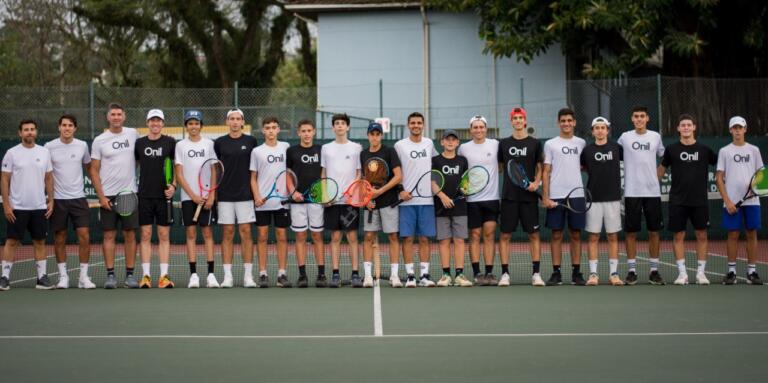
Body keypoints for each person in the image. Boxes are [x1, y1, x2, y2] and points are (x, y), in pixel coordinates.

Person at [658, 114, 717, 285]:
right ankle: (682, 274)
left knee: (702, 235)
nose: (685, 128)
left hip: (699, 201)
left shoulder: (705, 150)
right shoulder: (671, 149)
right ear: (678, 128)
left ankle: (701, 274)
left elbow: (721, 167)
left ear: (694, 127)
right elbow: (661, 170)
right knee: (678, 236)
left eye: (688, 125)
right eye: (682, 125)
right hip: (677, 200)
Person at [89, 103, 139, 289]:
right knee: (109, 235)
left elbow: (139, 158)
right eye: (113, 114)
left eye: (119, 114)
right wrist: (101, 197)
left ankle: (130, 275)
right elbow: (94, 170)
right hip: (107, 196)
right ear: (108, 117)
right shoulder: (99, 140)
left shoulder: (133, 134)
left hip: (128, 194)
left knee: (130, 235)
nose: (116, 117)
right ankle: (110, 275)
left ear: (124, 116)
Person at [0, 119, 54, 290]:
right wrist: (6, 204)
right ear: (20, 133)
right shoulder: (11, 153)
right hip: (17, 208)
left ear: (36, 132)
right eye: (26, 130)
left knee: (40, 242)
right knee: (12, 242)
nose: (29, 132)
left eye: (32, 129)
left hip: (39, 207)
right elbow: (4, 179)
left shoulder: (44, 152)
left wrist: (51, 200)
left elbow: (49, 178)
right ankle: (4, 277)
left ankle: (42, 278)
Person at [45, 115, 95, 289]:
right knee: (59, 238)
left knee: (85, 236)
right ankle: (63, 276)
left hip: (79, 199)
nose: (67, 128)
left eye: (70, 125)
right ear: (59, 127)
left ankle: (83, 277)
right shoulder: (49, 147)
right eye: (64, 125)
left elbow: (89, 168)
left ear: (75, 128)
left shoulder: (82, 145)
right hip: (58, 200)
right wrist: (48, 197)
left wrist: (100, 185)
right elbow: (46, 174)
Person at [617, 106, 665, 285]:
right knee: (631, 232)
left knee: (654, 232)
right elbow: (615, 156)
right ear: (632, 119)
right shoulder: (625, 137)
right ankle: (631, 271)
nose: (639, 119)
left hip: (652, 192)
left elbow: (664, 157)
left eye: (642, 116)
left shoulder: (655, 137)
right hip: (631, 192)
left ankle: (654, 270)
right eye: (636, 116)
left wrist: (658, 175)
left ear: (647, 118)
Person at [498, 107, 545, 286]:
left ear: (525, 121)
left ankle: (536, 274)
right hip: (509, 197)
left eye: (520, 118)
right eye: (515, 118)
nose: (518, 121)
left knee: (533, 235)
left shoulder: (534, 143)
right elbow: (501, 166)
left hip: (529, 198)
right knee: (504, 235)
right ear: (511, 121)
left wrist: (536, 183)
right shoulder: (503, 143)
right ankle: (504, 274)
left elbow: (540, 167)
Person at [716, 116, 763, 285]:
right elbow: (719, 178)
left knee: (751, 233)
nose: (737, 130)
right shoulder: (724, 151)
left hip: (752, 201)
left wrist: (753, 190)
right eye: (734, 128)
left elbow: (761, 175)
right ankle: (731, 272)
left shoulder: (754, 150)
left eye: (740, 127)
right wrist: (727, 201)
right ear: (730, 130)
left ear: (745, 129)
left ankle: (752, 272)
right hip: (732, 202)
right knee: (733, 234)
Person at [542, 108, 587, 286]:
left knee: (576, 234)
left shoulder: (582, 143)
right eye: (563, 121)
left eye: (569, 120)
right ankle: (556, 272)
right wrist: (546, 197)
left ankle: (576, 272)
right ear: (558, 123)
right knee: (556, 234)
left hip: (577, 195)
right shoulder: (550, 144)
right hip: (556, 196)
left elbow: (585, 166)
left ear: (574, 122)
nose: (566, 123)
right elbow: (545, 171)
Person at [175, 110, 220, 288]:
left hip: (207, 196)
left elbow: (214, 170)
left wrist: (211, 195)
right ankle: (193, 275)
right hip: (188, 198)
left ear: (201, 126)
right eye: (190, 123)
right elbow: (179, 174)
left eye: (196, 123)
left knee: (208, 233)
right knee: (191, 234)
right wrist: (193, 195)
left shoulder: (209, 144)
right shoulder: (180, 146)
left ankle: (211, 275)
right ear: (186, 126)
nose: (193, 126)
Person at [214, 108, 258, 288]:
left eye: (238, 119)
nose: (234, 122)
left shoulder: (251, 141)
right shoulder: (219, 143)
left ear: (242, 122)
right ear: (227, 122)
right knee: (227, 233)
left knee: (246, 233)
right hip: (225, 195)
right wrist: (215, 193)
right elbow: (216, 169)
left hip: (245, 195)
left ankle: (248, 276)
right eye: (231, 119)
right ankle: (227, 277)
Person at [394, 112, 439, 287]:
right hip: (406, 201)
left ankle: (425, 275)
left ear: (423, 125)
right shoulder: (399, 145)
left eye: (419, 123)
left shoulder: (429, 143)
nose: (416, 125)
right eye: (413, 123)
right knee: (407, 239)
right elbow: (394, 171)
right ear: (408, 125)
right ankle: (411, 276)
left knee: (425, 239)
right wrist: (401, 191)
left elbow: (436, 167)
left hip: (426, 200)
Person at [135, 109, 176, 288]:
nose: (155, 124)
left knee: (164, 235)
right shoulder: (139, 143)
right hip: (144, 195)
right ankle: (146, 276)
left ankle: (164, 276)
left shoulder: (170, 142)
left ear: (163, 124)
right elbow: (135, 165)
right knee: (145, 235)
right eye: (152, 120)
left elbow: (177, 167)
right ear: (147, 123)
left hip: (163, 197)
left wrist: (173, 186)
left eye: (158, 121)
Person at [580, 117, 624, 286]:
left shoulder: (617, 148)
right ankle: (593, 275)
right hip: (593, 199)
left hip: (613, 199)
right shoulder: (587, 151)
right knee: (593, 237)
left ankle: (614, 274)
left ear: (607, 130)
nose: (599, 130)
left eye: (602, 128)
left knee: (613, 237)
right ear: (592, 131)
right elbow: (582, 167)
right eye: (596, 128)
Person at [457, 115, 501, 285]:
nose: (478, 130)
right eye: (475, 127)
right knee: (474, 235)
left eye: (481, 127)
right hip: (472, 200)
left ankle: (489, 273)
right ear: (470, 130)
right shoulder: (463, 148)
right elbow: (461, 171)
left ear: (486, 128)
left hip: (492, 199)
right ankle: (477, 273)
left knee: (489, 235)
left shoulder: (495, 145)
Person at [321, 113, 363, 288]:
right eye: (336, 123)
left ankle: (355, 274)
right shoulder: (326, 148)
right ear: (333, 127)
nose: (339, 126)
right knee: (335, 236)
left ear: (348, 127)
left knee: (352, 237)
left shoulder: (356, 148)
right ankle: (336, 274)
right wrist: (325, 196)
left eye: (342, 123)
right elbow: (323, 174)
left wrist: (354, 192)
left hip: (350, 201)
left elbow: (359, 173)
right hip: (332, 201)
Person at [250, 117, 292, 288]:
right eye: (267, 128)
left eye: (274, 127)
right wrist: (257, 197)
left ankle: (282, 274)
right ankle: (262, 274)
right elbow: (252, 178)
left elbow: (289, 173)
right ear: (263, 130)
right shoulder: (257, 151)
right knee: (262, 237)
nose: (271, 131)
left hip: (282, 202)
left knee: (282, 237)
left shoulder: (286, 148)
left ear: (278, 130)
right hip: (262, 202)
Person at [361, 122, 402, 287]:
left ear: (381, 136)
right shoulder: (363, 154)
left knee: (392, 236)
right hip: (370, 203)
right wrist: (367, 197)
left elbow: (398, 176)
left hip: (388, 202)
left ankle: (394, 276)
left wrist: (380, 191)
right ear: (368, 136)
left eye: (378, 134)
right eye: (372, 134)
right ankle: (368, 276)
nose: (375, 137)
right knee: (368, 237)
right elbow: (362, 180)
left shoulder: (390, 151)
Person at [286, 119, 326, 287]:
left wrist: (323, 194)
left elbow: (324, 172)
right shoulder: (292, 151)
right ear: (298, 133)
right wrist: (293, 192)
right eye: (304, 131)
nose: (307, 134)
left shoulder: (321, 150)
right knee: (300, 236)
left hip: (316, 200)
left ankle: (321, 275)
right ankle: (302, 275)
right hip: (297, 201)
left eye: (309, 130)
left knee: (317, 236)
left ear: (314, 132)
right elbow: (287, 174)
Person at [433, 130, 472, 287]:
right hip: (440, 206)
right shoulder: (435, 161)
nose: (450, 142)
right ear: (442, 142)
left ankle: (460, 274)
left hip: (460, 207)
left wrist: (464, 190)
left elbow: (466, 182)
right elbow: (433, 182)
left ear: (458, 143)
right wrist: (443, 197)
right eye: (447, 139)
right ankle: (446, 275)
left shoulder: (463, 161)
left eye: (453, 140)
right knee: (443, 241)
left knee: (460, 240)